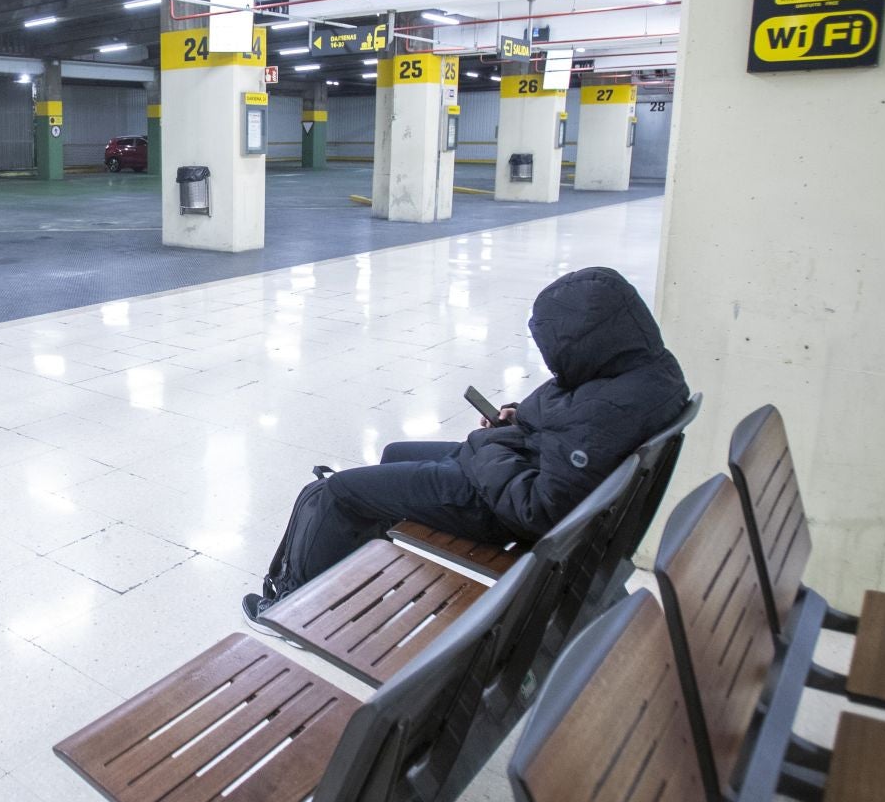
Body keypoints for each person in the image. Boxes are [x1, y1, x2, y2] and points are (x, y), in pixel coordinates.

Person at [244, 266, 689, 626]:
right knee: (395, 452)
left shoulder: (607, 409)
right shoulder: (644, 372)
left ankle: (294, 607)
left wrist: (487, 444)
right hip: (519, 465)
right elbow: (571, 415)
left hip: (500, 506)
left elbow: (540, 508)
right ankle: (357, 570)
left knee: (336, 493)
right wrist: (520, 417)